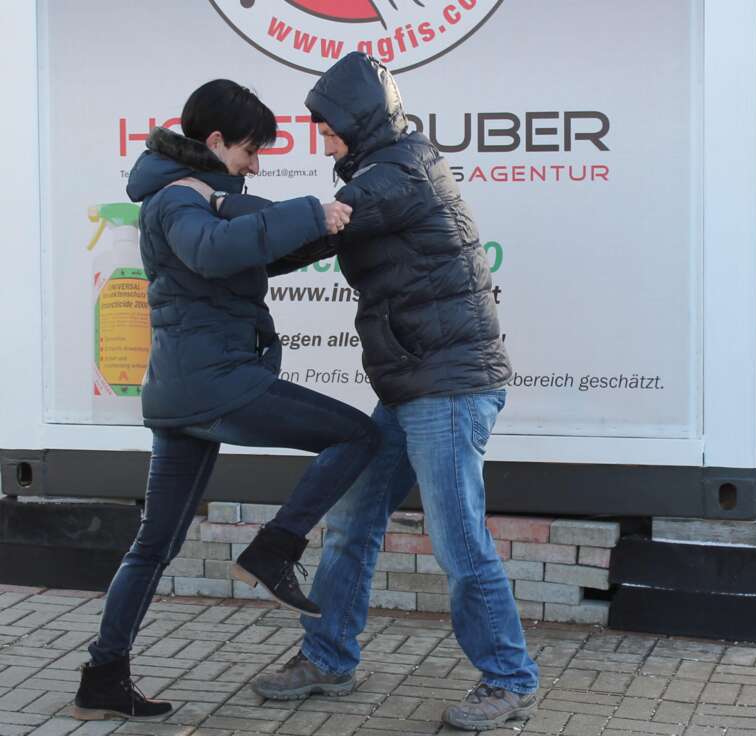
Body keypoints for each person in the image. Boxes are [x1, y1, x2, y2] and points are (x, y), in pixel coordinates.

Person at [197, 54, 539, 732]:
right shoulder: (385, 170)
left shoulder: (394, 177)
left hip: (446, 387)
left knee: (458, 540)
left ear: (358, 120)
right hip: (413, 384)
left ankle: (509, 678)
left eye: (327, 130)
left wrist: (210, 207)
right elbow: (304, 232)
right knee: (355, 519)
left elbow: (308, 232)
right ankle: (329, 657)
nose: (321, 142)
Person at [70, 79, 382, 722]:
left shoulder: (204, 196)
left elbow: (249, 257)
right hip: (214, 385)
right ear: (214, 141)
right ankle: (276, 548)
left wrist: (327, 231)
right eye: (249, 150)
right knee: (359, 436)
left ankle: (102, 677)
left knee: (153, 546)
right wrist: (305, 213)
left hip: (187, 393)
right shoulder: (177, 199)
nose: (255, 163)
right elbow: (213, 253)